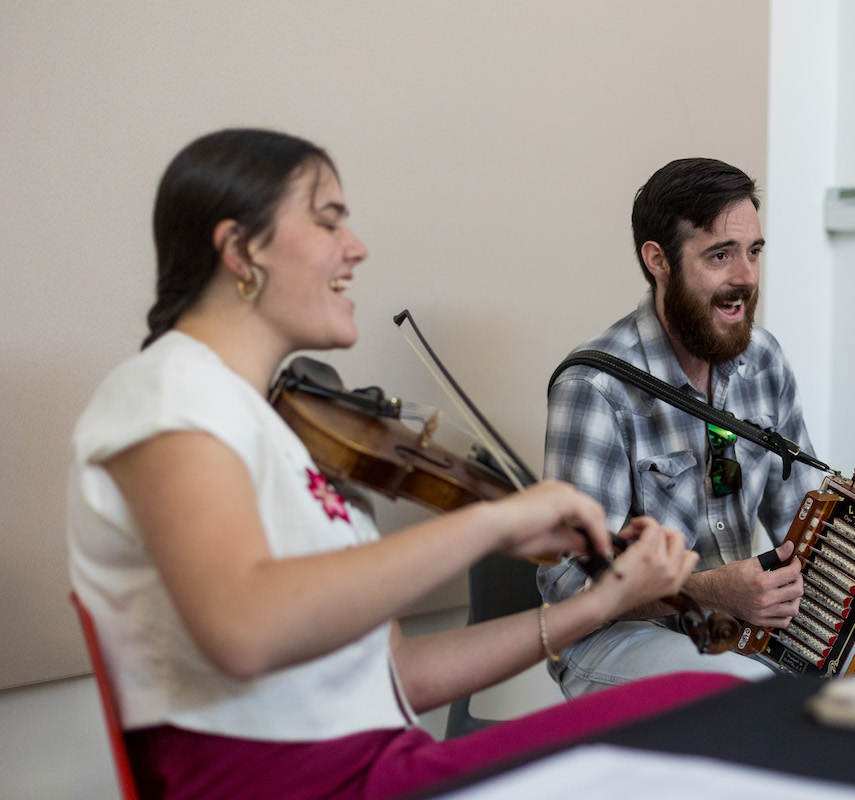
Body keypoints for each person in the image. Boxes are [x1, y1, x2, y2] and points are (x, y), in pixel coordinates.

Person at [66, 129, 745, 800]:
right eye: (329, 220)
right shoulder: (169, 391)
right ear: (241, 249)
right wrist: (493, 524)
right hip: (306, 784)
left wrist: (603, 602)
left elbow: (398, 676)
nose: (355, 246)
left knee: (704, 701)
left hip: (388, 761)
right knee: (714, 720)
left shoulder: (266, 430)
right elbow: (243, 631)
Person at [539, 158, 855, 697]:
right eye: (719, 255)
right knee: (758, 700)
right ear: (657, 260)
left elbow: (808, 531)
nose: (746, 278)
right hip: (616, 640)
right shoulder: (595, 387)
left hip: (736, 632)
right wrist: (710, 590)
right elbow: (569, 586)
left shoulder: (764, 360)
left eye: (754, 252)